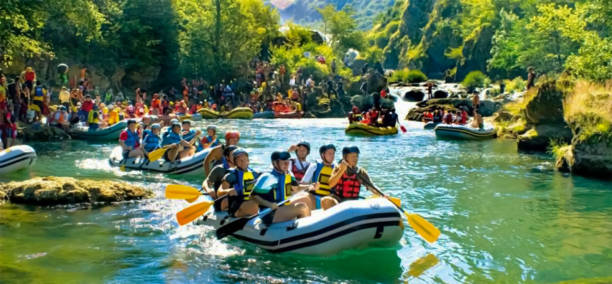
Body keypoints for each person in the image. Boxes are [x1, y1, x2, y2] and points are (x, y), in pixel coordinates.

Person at [252, 151, 311, 225]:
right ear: (274, 163)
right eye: (283, 162)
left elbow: (296, 188)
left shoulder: (288, 174)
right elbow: (253, 196)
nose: (286, 164)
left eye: (287, 161)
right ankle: (305, 228)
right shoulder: (267, 177)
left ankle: (303, 224)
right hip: (269, 213)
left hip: (283, 208)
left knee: (306, 199)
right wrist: (269, 204)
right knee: (302, 207)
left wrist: (310, 186)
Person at [217, 149, 261, 217]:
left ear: (248, 161)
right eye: (239, 160)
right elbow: (219, 192)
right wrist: (228, 191)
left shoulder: (255, 174)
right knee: (254, 204)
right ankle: (238, 214)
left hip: (249, 202)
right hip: (236, 205)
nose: (243, 162)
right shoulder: (231, 176)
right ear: (235, 162)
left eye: (245, 160)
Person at [300, 144, 338, 210]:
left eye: (333, 154)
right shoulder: (314, 166)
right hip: (315, 197)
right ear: (323, 155)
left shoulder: (336, 167)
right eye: (329, 153)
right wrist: (311, 186)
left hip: (330, 198)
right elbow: (303, 183)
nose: (332, 156)